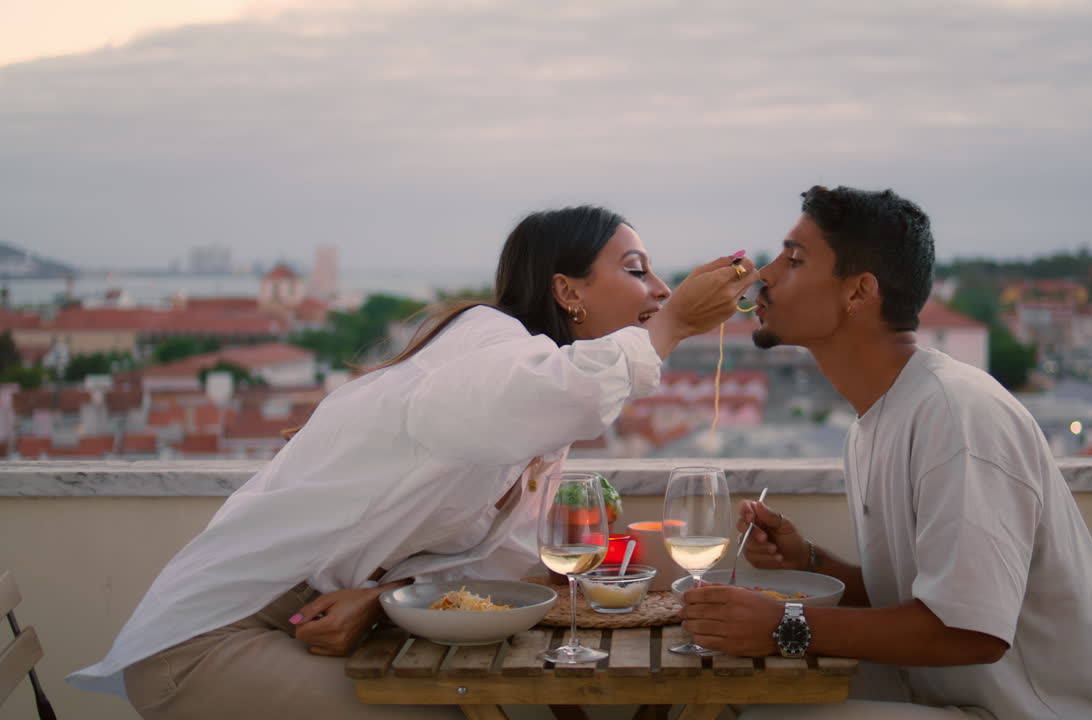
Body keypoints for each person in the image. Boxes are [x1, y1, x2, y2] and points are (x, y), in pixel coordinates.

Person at [69, 205, 759, 720]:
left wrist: (375, 601)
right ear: (567, 291)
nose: (661, 290)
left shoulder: (531, 405)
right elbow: (560, 394)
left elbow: (501, 562)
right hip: (211, 638)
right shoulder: (488, 352)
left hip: (311, 619)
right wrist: (670, 331)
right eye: (637, 271)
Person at [680, 186, 1092, 719]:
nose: (764, 273)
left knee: (749, 713)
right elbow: (925, 600)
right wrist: (810, 563)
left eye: (794, 259)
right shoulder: (878, 418)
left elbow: (968, 631)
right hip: (951, 702)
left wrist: (780, 624)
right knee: (735, 701)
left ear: (858, 293)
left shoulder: (958, 416)